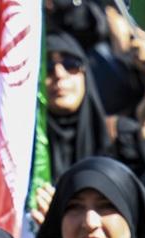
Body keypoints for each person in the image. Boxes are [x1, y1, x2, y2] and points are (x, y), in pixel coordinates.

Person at [42, 31, 112, 181]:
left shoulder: (118, 139)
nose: (59, 74)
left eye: (70, 64)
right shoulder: (19, 147)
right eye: (47, 66)